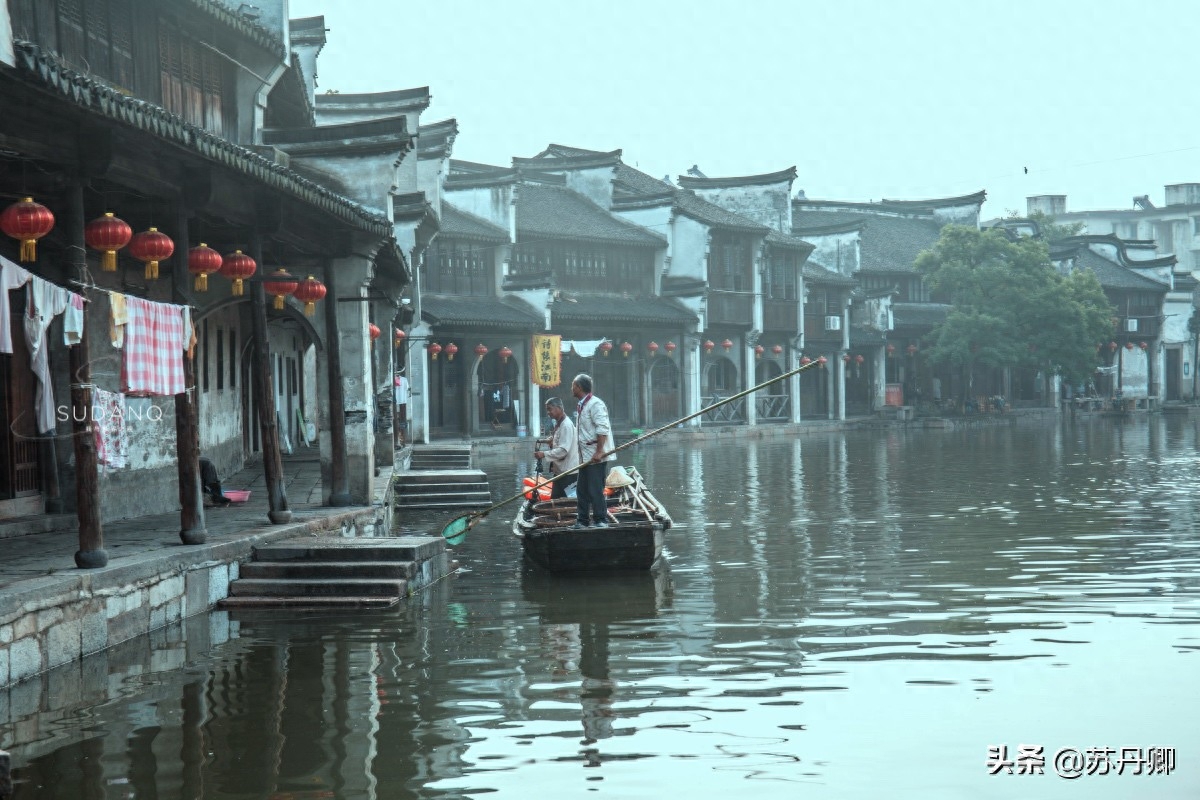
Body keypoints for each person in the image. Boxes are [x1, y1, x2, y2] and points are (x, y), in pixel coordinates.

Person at [570, 373, 616, 528]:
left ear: (579, 387)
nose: (572, 388)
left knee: (596, 489)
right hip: (585, 456)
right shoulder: (582, 405)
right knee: (581, 490)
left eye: (573, 385)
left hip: (596, 456)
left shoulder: (595, 404)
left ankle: (601, 520)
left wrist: (599, 451)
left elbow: (602, 429)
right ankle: (582, 521)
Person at [533, 397, 579, 499]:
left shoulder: (566, 425)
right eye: (547, 410)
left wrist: (543, 454)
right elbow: (559, 442)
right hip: (560, 472)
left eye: (550, 409)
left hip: (568, 473)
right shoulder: (559, 424)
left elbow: (563, 450)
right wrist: (551, 441)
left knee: (567, 502)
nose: (548, 413)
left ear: (558, 408)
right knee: (556, 500)